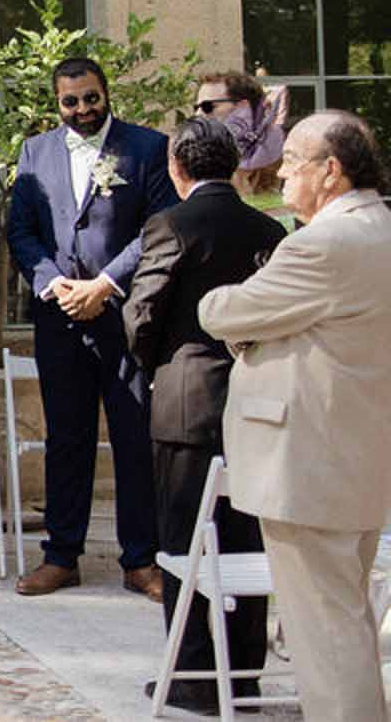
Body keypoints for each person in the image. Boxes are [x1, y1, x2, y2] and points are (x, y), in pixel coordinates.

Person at [199, 110, 391, 722]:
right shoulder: (380, 227)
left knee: (327, 639)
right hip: (354, 460)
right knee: (346, 619)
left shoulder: (322, 243)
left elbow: (223, 312)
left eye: (293, 162)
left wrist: (244, 321)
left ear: (331, 171)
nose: (280, 172)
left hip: (308, 466)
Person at [122, 116, 285, 715]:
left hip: (187, 405)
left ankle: (193, 677)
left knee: (189, 540)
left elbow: (142, 316)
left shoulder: (169, 224)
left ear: (177, 168)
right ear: (234, 165)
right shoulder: (268, 227)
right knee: (246, 541)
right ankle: (243, 675)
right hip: (256, 398)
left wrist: (158, 366)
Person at [6, 56, 175, 599]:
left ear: (106, 93)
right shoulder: (35, 152)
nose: (82, 109)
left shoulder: (147, 148)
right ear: (56, 103)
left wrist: (104, 284)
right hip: (60, 319)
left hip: (124, 318)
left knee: (133, 439)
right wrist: (55, 284)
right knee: (67, 439)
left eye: (90, 98)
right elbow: (22, 231)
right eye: (70, 101)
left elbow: (158, 227)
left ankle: (140, 560)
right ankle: (61, 556)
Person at [191, 71, 287, 198]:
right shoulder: (196, 164)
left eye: (208, 106)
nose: (198, 115)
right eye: (196, 107)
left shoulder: (286, 162)